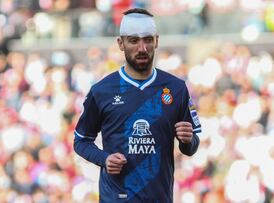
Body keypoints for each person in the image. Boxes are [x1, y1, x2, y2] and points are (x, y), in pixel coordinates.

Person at [73, 8, 201, 203]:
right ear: (121, 43)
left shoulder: (176, 88)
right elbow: (81, 140)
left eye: (148, 40)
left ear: (156, 41)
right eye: (133, 40)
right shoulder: (102, 91)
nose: (142, 48)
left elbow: (191, 147)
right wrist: (104, 159)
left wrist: (187, 140)